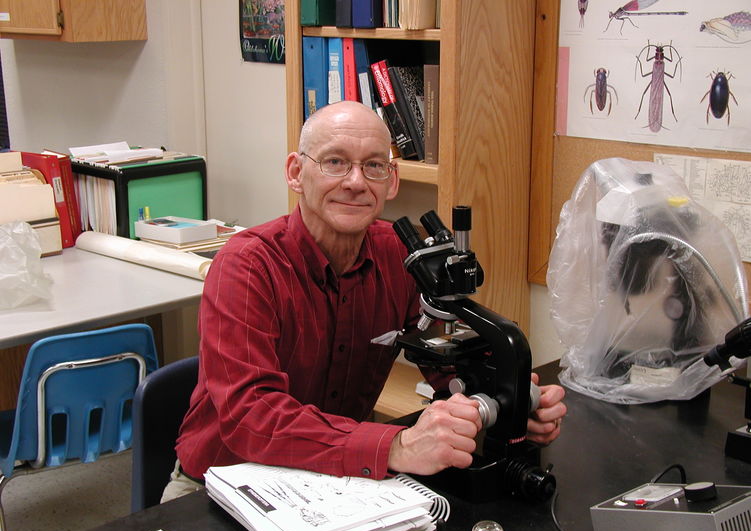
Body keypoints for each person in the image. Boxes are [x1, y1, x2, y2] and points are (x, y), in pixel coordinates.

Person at [163, 101, 566, 502]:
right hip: (221, 486)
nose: (356, 182)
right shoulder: (247, 265)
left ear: (391, 182)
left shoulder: (399, 257)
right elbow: (250, 417)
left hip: (334, 485)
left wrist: (506, 403)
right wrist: (397, 446)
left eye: (373, 166)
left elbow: (444, 363)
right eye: (335, 162)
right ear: (295, 172)